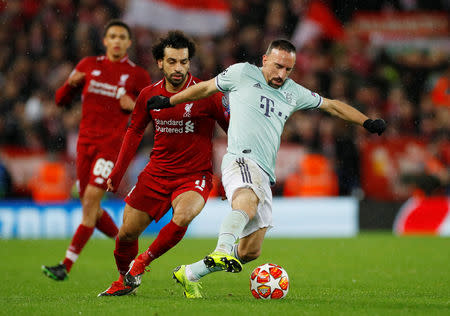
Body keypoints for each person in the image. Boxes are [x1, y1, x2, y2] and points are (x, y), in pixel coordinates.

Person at [147, 39, 387, 298]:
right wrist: (170, 102)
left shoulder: (293, 92)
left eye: (288, 70)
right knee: (246, 204)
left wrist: (367, 121)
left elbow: (332, 105)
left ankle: (191, 273)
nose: (281, 74)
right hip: (240, 159)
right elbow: (204, 88)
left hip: (264, 173)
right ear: (264, 60)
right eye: (278, 66)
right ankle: (221, 250)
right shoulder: (241, 73)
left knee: (251, 250)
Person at [97, 31, 229, 297]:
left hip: (195, 175)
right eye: (172, 62)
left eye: (183, 62)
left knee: (184, 215)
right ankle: (126, 280)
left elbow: (234, 132)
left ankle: (142, 263)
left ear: (189, 62)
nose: (178, 68)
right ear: (160, 63)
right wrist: (118, 171)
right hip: (156, 173)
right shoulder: (148, 95)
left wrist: (230, 179)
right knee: (126, 234)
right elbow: (133, 133)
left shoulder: (206, 93)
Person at [42, 20, 151, 281]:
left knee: (90, 202)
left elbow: (150, 115)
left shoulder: (138, 76)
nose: (116, 40)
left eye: (121, 37)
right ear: (104, 41)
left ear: (128, 43)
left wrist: (134, 104)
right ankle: (126, 249)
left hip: (110, 147)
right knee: (91, 208)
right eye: (112, 36)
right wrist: (71, 84)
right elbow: (60, 100)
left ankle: (65, 265)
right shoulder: (88, 65)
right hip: (84, 145)